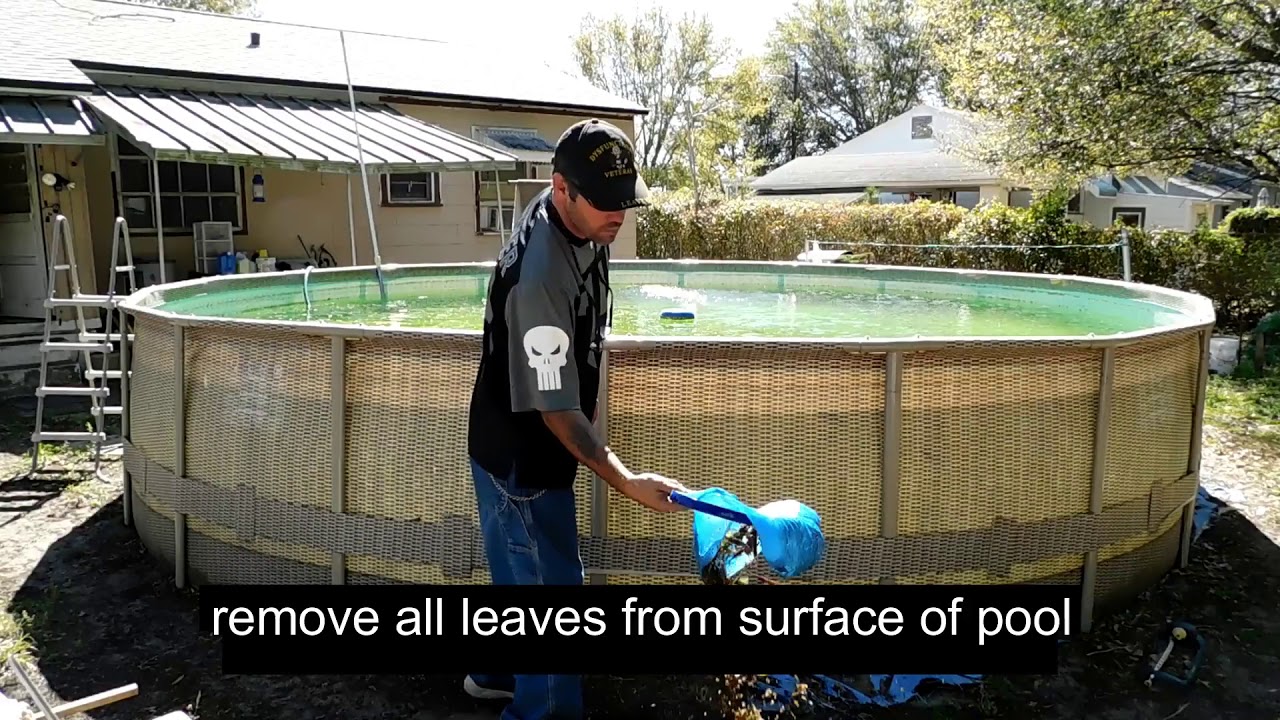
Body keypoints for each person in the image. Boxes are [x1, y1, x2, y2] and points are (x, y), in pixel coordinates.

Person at [463, 118, 691, 719]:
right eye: (605, 201)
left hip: (495, 435)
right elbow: (556, 412)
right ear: (561, 187)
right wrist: (628, 481)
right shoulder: (541, 275)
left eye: (625, 199)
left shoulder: (576, 216)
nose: (619, 214)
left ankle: (495, 676)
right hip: (523, 458)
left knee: (519, 573)